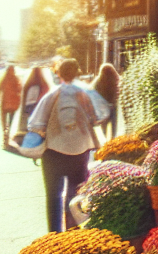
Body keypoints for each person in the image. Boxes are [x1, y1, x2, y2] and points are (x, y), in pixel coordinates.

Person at [28, 58, 110, 233]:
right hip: (79, 151)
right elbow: (99, 117)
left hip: (53, 153)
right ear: (77, 73)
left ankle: (54, 234)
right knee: (76, 193)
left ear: (59, 74)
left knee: (53, 196)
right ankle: (73, 231)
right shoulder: (86, 94)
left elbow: (35, 124)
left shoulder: (52, 95)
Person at [92, 63, 120, 140]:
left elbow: (93, 92)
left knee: (104, 124)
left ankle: (106, 138)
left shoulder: (98, 81)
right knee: (113, 124)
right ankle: (112, 139)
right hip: (113, 106)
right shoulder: (115, 80)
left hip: (102, 107)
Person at [20, 66, 49, 134]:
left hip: (29, 105)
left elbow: (24, 95)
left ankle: (31, 132)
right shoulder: (43, 83)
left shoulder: (28, 83)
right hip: (38, 106)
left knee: (30, 120)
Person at [0, 65, 21, 143]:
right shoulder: (16, 79)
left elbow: (0, 88)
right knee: (11, 119)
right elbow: (19, 89)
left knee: (3, 119)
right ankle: (8, 131)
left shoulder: (4, 79)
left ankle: (5, 131)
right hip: (13, 104)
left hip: (4, 103)